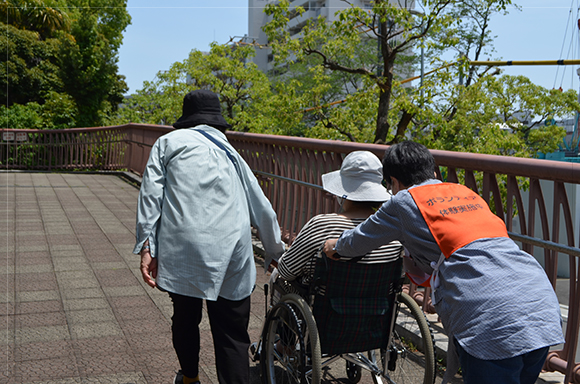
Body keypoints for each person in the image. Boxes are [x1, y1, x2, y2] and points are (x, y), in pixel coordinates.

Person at [322, 141, 564, 384]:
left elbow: (358, 240)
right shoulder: (464, 192)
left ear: (394, 182)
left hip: (490, 320)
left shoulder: (402, 201)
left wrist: (334, 246)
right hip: (539, 303)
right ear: (434, 172)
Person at [134, 89, 285, 384]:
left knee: (186, 319)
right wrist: (274, 250)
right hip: (234, 251)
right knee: (232, 333)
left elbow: (150, 196)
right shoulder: (233, 154)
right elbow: (262, 208)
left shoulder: (167, 143)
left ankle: (189, 377)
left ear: (186, 120)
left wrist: (147, 246)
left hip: (183, 249)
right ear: (218, 124)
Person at [272, 150, 403, 301]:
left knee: (277, 277)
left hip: (323, 313)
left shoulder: (322, 224)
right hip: (375, 313)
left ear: (342, 191)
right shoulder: (392, 230)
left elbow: (286, 271)